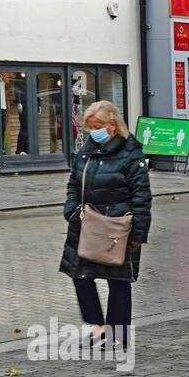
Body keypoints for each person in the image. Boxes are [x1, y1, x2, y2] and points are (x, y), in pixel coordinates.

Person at [60, 100, 151, 351]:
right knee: (79, 275)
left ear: (112, 125)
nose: (93, 131)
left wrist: (139, 232)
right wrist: (71, 209)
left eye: (97, 126)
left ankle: (117, 336)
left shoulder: (131, 154)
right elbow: (73, 182)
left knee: (118, 281)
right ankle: (98, 327)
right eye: (90, 126)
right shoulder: (87, 151)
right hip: (86, 224)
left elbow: (142, 195)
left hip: (117, 227)